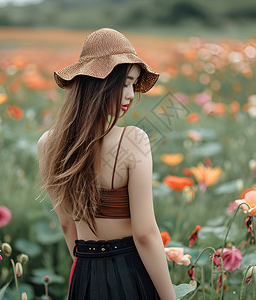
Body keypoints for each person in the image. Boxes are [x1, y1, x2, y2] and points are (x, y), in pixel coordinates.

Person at [37, 28, 176, 300]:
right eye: (124, 82)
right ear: (99, 82)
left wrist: (87, 271)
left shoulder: (48, 143)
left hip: (84, 272)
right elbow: (145, 233)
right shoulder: (133, 139)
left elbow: (67, 226)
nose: (130, 95)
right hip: (129, 270)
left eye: (133, 84)